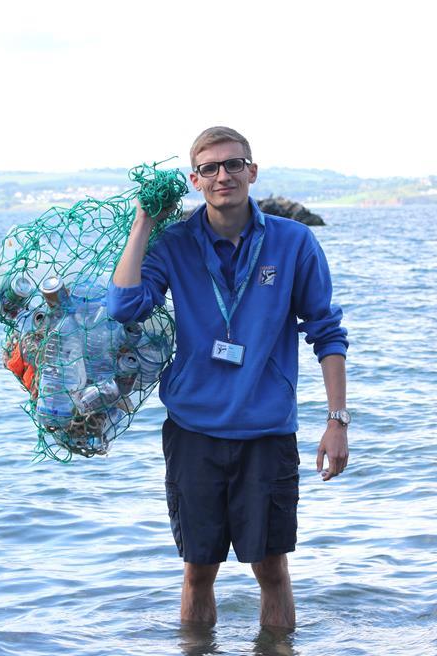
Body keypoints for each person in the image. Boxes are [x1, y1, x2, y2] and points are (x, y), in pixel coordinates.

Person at [107, 126, 349, 629]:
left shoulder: (294, 242)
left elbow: (326, 333)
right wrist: (143, 224)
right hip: (193, 431)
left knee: (273, 571)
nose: (224, 175)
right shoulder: (174, 244)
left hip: (267, 432)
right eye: (210, 168)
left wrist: (337, 421)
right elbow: (124, 306)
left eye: (234, 164)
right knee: (198, 572)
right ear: (196, 180)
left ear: (252, 172)